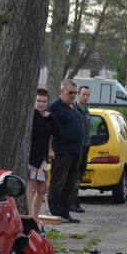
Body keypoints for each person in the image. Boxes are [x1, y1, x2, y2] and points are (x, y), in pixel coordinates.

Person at [47, 78, 83, 223]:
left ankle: (65, 211)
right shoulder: (55, 107)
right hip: (62, 152)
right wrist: (50, 149)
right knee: (58, 183)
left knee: (70, 183)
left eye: (75, 93)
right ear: (62, 91)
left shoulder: (72, 107)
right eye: (70, 93)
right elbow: (48, 130)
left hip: (74, 152)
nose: (73, 96)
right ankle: (54, 210)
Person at [27, 87, 58, 220]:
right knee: (32, 188)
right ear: (34, 101)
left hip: (43, 159)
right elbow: (40, 129)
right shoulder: (32, 116)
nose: (41, 104)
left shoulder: (46, 116)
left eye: (44, 101)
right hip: (32, 158)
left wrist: (50, 116)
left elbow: (57, 131)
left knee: (43, 189)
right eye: (39, 100)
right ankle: (30, 218)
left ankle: (35, 216)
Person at [70, 85, 92, 213]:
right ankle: (72, 202)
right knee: (74, 176)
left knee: (80, 176)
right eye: (83, 94)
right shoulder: (74, 109)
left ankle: (74, 200)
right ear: (78, 94)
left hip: (85, 147)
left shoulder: (86, 110)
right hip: (76, 148)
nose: (85, 97)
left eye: (88, 95)